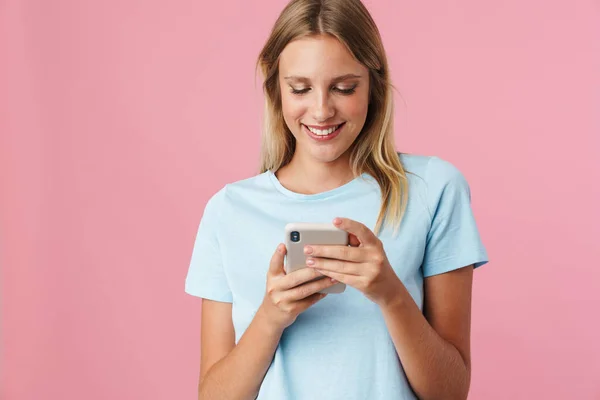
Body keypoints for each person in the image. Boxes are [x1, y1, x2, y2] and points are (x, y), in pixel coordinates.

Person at [185, 0, 489, 398]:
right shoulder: (228, 210)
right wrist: (270, 318)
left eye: (344, 88)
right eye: (300, 88)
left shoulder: (433, 189)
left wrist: (390, 294)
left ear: (373, 84)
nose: (322, 110)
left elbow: (450, 392)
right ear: (277, 89)